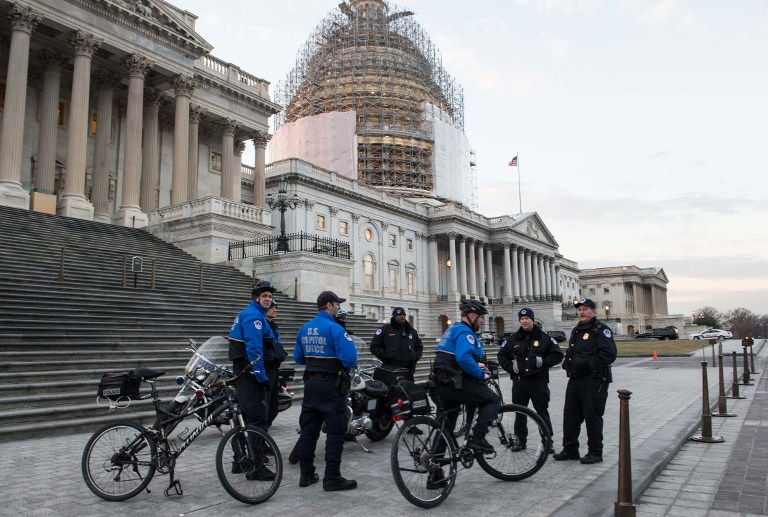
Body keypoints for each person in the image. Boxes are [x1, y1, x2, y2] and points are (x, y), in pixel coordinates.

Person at [294, 290, 358, 491]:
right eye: (337, 304)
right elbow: (350, 359)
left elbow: (298, 358)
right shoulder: (335, 329)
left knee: (309, 431)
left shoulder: (304, 328)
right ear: (329, 305)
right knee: (336, 432)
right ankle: (331, 477)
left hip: (311, 385)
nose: (339, 307)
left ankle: (306, 475)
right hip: (331, 385)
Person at [432, 299, 502, 459]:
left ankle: (435, 471)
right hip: (453, 382)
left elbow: (454, 356)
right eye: (481, 316)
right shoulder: (465, 332)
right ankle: (477, 438)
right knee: (493, 400)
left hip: (440, 382)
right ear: (472, 315)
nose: (483, 320)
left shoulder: (453, 330)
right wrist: (481, 374)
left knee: (446, 427)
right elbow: (463, 358)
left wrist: (476, 364)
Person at [553, 298, 617, 465]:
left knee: (592, 415)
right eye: (580, 309)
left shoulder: (601, 330)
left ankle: (595, 452)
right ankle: (570, 449)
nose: (581, 312)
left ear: (594, 312)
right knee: (570, 415)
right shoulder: (578, 329)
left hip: (594, 379)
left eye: (585, 309)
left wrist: (588, 364)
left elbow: (609, 354)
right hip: (575, 378)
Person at [227, 280, 277, 480]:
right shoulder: (254, 316)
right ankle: (256, 467)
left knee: (245, 419)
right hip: (250, 372)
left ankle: (239, 461)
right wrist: (261, 376)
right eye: (264, 296)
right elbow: (254, 349)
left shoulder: (250, 314)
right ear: (256, 298)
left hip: (244, 371)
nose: (268, 299)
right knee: (257, 419)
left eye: (270, 297)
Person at [497, 308, 563, 454]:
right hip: (520, 381)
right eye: (522, 319)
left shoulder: (544, 338)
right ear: (519, 321)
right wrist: (511, 368)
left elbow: (558, 355)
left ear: (533, 320)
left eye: (527, 318)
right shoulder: (512, 339)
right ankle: (520, 441)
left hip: (538, 381)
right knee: (519, 412)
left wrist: (543, 362)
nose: (525, 321)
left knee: (541, 412)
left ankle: (547, 441)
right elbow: (501, 356)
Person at [370, 307, 423, 382]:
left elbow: (419, 347)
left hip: (408, 369)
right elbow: (374, 347)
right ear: (394, 316)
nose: (402, 316)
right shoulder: (385, 330)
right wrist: (385, 355)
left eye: (404, 314)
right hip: (390, 369)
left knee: (408, 391)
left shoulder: (411, 331)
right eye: (399, 314)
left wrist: (414, 356)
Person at [264, 300, 288, 427]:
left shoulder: (273, 325)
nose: (275, 310)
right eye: (272, 308)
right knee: (266, 406)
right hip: (266, 368)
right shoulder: (262, 324)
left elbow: (277, 345)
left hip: (274, 368)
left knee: (273, 406)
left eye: (276, 308)